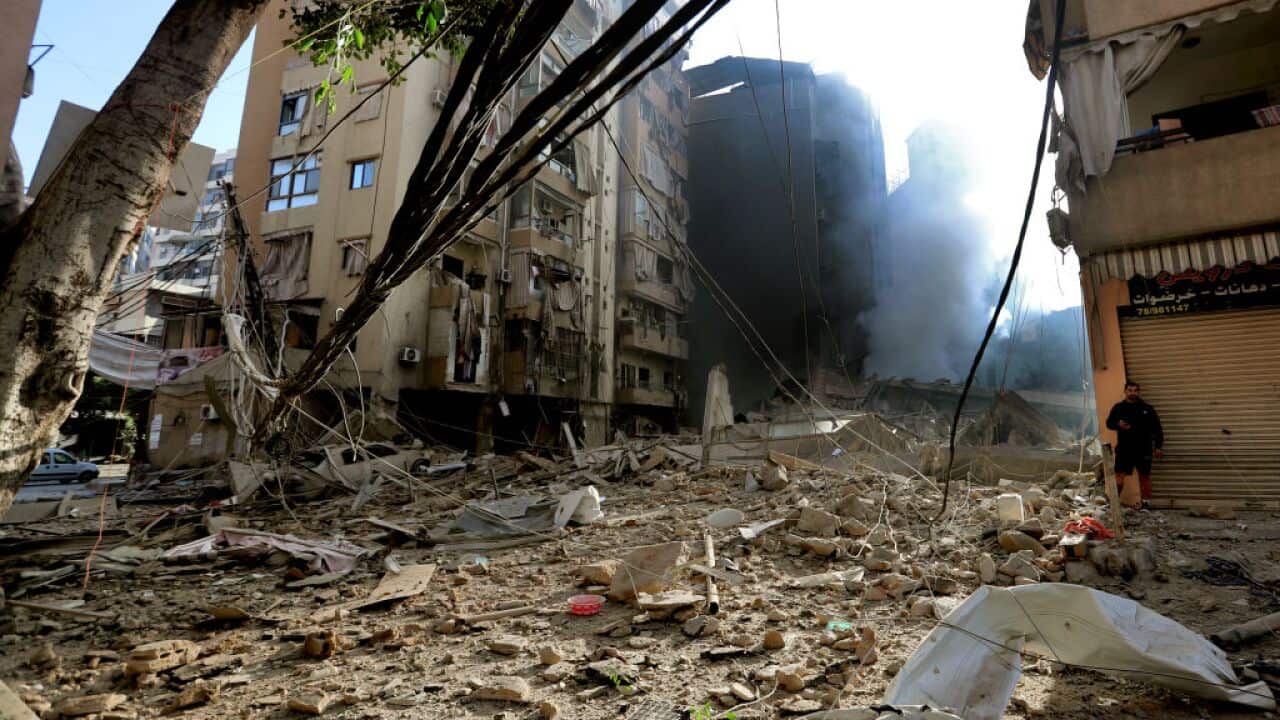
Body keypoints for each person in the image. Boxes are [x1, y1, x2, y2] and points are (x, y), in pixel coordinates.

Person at [1105, 380, 1164, 507]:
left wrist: (1158, 447)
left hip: (1144, 449)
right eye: (1130, 390)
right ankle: (1113, 504)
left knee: (1144, 476)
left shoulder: (1147, 409)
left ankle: (1146, 505)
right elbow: (1109, 423)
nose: (1133, 393)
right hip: (1125, 449)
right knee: (1119, 475)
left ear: (1139, 392)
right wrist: (1118, 424)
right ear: (1125, 391)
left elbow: (1157, 429)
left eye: (1135, 390)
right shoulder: (1118, 408)